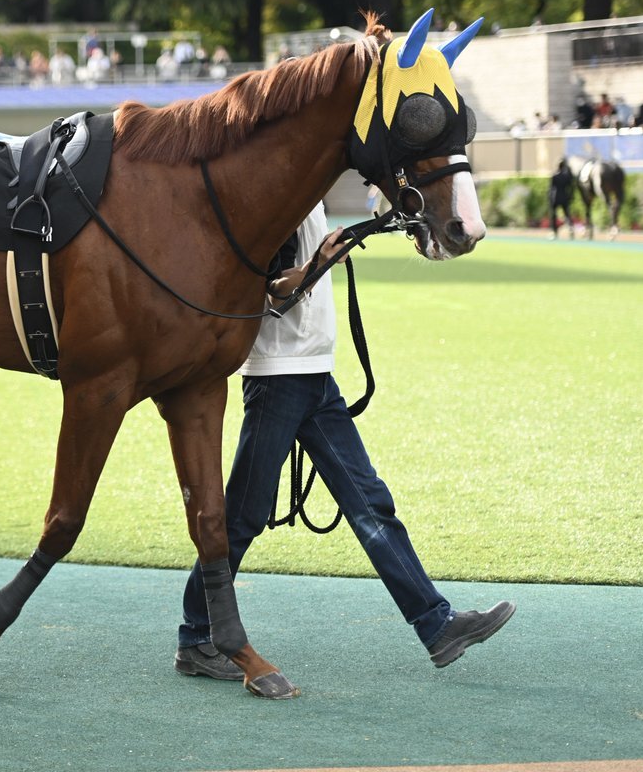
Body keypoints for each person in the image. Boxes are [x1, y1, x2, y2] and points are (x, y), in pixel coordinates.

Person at [173, 203, 515, 683]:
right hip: (277, 379)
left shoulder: (308, 198)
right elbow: (265, 290)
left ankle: (437, 626)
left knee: (371, 504)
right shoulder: (276, 201)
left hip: (314, 377)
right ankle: (195, 636)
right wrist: (318, 264)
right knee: (243, 516)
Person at [549, 159, 575, 240]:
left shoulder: (555, 176)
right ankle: (570, 229)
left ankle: (554, 231)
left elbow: (551, 188)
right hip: (564, 197)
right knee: (567, 214)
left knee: (553, 215)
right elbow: (571, 186)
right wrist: (570, 196)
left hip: (555, 197)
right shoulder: (566, 176)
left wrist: (550, 197)